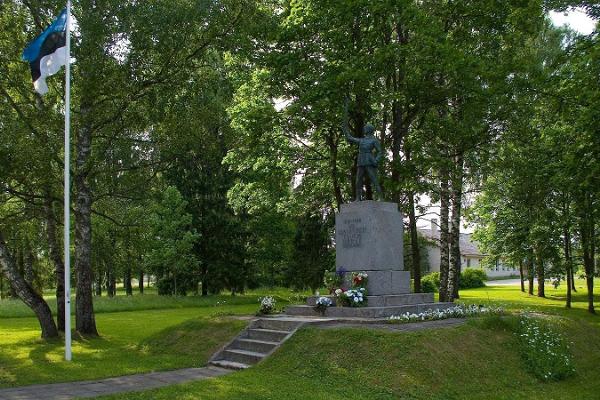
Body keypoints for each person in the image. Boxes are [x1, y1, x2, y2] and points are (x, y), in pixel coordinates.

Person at [342, 102, 383, 201]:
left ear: (368, 130)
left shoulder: (374, 140)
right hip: (361, 160)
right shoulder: (362, 140)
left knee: (374, 179)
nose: (363, 129)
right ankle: (357, 198)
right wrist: (345, 128)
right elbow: (349, 137)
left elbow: (380, 152)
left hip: (369, 160)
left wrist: (376, 160)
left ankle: (381, 197)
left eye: (365, 128)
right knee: (358, 181)